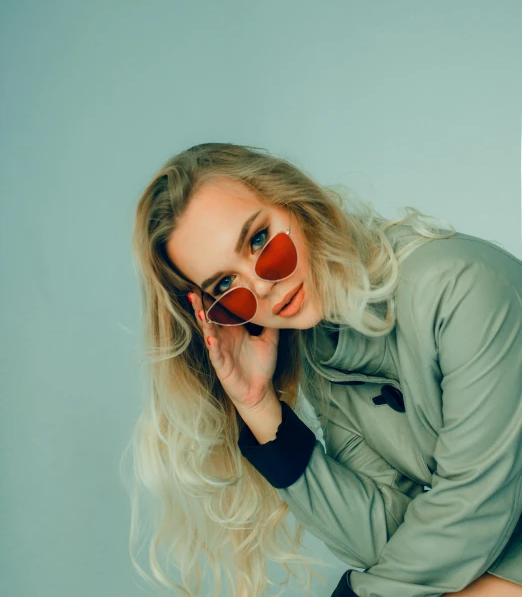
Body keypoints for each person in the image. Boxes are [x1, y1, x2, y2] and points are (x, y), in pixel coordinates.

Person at [120, 142, 522, 597]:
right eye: (227, 285)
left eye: (258, 240)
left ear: (295, 200)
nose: (264, 286)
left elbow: (476, 507)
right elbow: (387, 538)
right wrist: (260, 408)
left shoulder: (459, 288)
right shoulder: (323, 349)